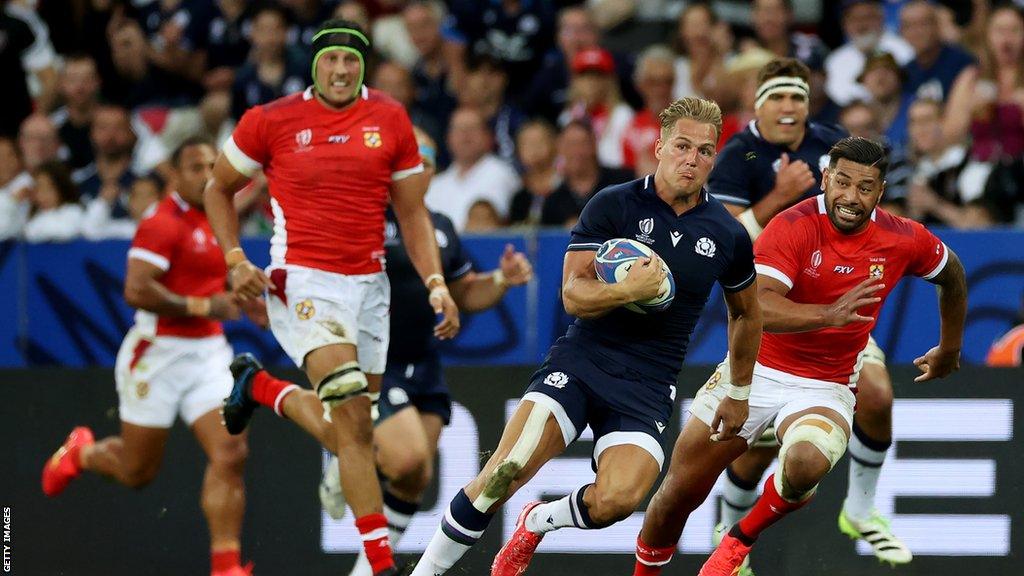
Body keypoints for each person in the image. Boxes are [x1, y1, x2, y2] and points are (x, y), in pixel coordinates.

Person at [409, 96, 763, 576]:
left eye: (704, 151)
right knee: (503, 473)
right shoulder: (614, 204)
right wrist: (628, 291)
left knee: (618, 501)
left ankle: (540, 520)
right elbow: (573, 296)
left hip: (648, 385)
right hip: (582, 361)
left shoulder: (728, 233)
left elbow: (745, 313)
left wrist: (739, 393)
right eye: (682, 146)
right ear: (658, 147)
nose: (692, 159)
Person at [633, 137, 968, 576]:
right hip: (754, 371)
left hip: (826, 384)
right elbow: (758, 308)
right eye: (843, 182)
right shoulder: (793, 224)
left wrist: (950, 347)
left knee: (807, 463)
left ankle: (737, 541)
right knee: (675, 496)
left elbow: (953, 275)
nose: (851, 197)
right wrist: (828, 314)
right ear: (827, 179)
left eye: (865, 188)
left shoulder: (902, 236)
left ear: (880, 191)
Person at [203, 20, 458, 576]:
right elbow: (217, 189)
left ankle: (263, 387)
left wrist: (437, 283)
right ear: (313, 65)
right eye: (330, 61)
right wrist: (234, 260)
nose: (340, 71)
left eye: (351, 61)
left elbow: (412, 213)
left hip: (369, 288)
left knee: (357, 431)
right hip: (303, 280)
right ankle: (382, 567)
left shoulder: (390, 118)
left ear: (363, 67)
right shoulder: (269, 120)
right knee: (346, 402)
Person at [706, 57, 916, 570]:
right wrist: (776, 198)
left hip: (834, 310)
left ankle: (861, 510)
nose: (788, 107)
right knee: (756, 446)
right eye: (777, 97)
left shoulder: (832, 142)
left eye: (796, 97)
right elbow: (719, 243)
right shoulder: (737, 156)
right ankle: (727, 539)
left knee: (879, 394)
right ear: (759, 103)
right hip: (769, 313)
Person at [323, 127, 535, 576]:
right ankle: (350, 449)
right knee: (407, 457)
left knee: (414, 478)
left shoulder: (438, 226)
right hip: (376, 363)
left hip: (425, 362)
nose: (418, 170)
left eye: (425, 163)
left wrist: (500, 279)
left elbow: (464, 291)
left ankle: (365, 571)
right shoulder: (362, 216)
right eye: (410, 161)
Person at [40, 138, 256, 576]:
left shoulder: (220, 214)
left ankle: (226, 565)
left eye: (213, 164)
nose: (206, 173)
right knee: (138, 472)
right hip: (156, 354)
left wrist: (253, 304)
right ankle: (81, 453)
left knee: (231, 452)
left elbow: (220, 282)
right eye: (195, 166)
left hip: (209, 354)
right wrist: (201, 306)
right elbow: (136, 289)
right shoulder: (162, 221)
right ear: (174, 176)